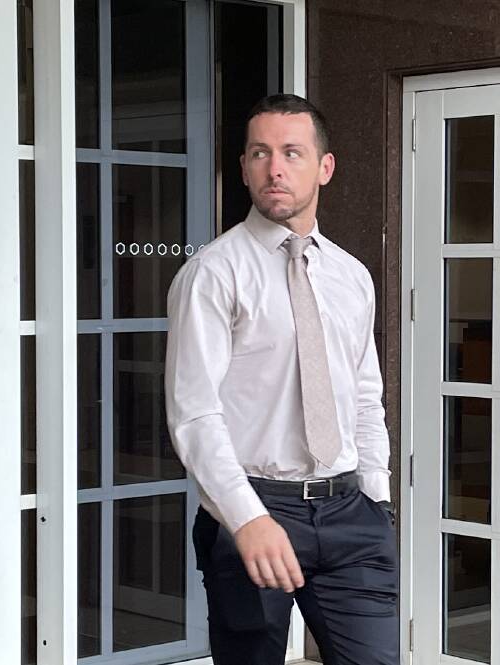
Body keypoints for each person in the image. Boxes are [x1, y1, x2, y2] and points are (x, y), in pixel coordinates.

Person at [165, 94, 399, 664]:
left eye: (292, 153)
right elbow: (193, 411)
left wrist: (377, 497)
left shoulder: (351, 275)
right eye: (260, 153)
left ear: (324, 167)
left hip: (350, 512)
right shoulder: (212, 274)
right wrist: (247, 518)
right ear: (243, 167)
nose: (275, 168)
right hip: (256, 505)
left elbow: (364, 392)